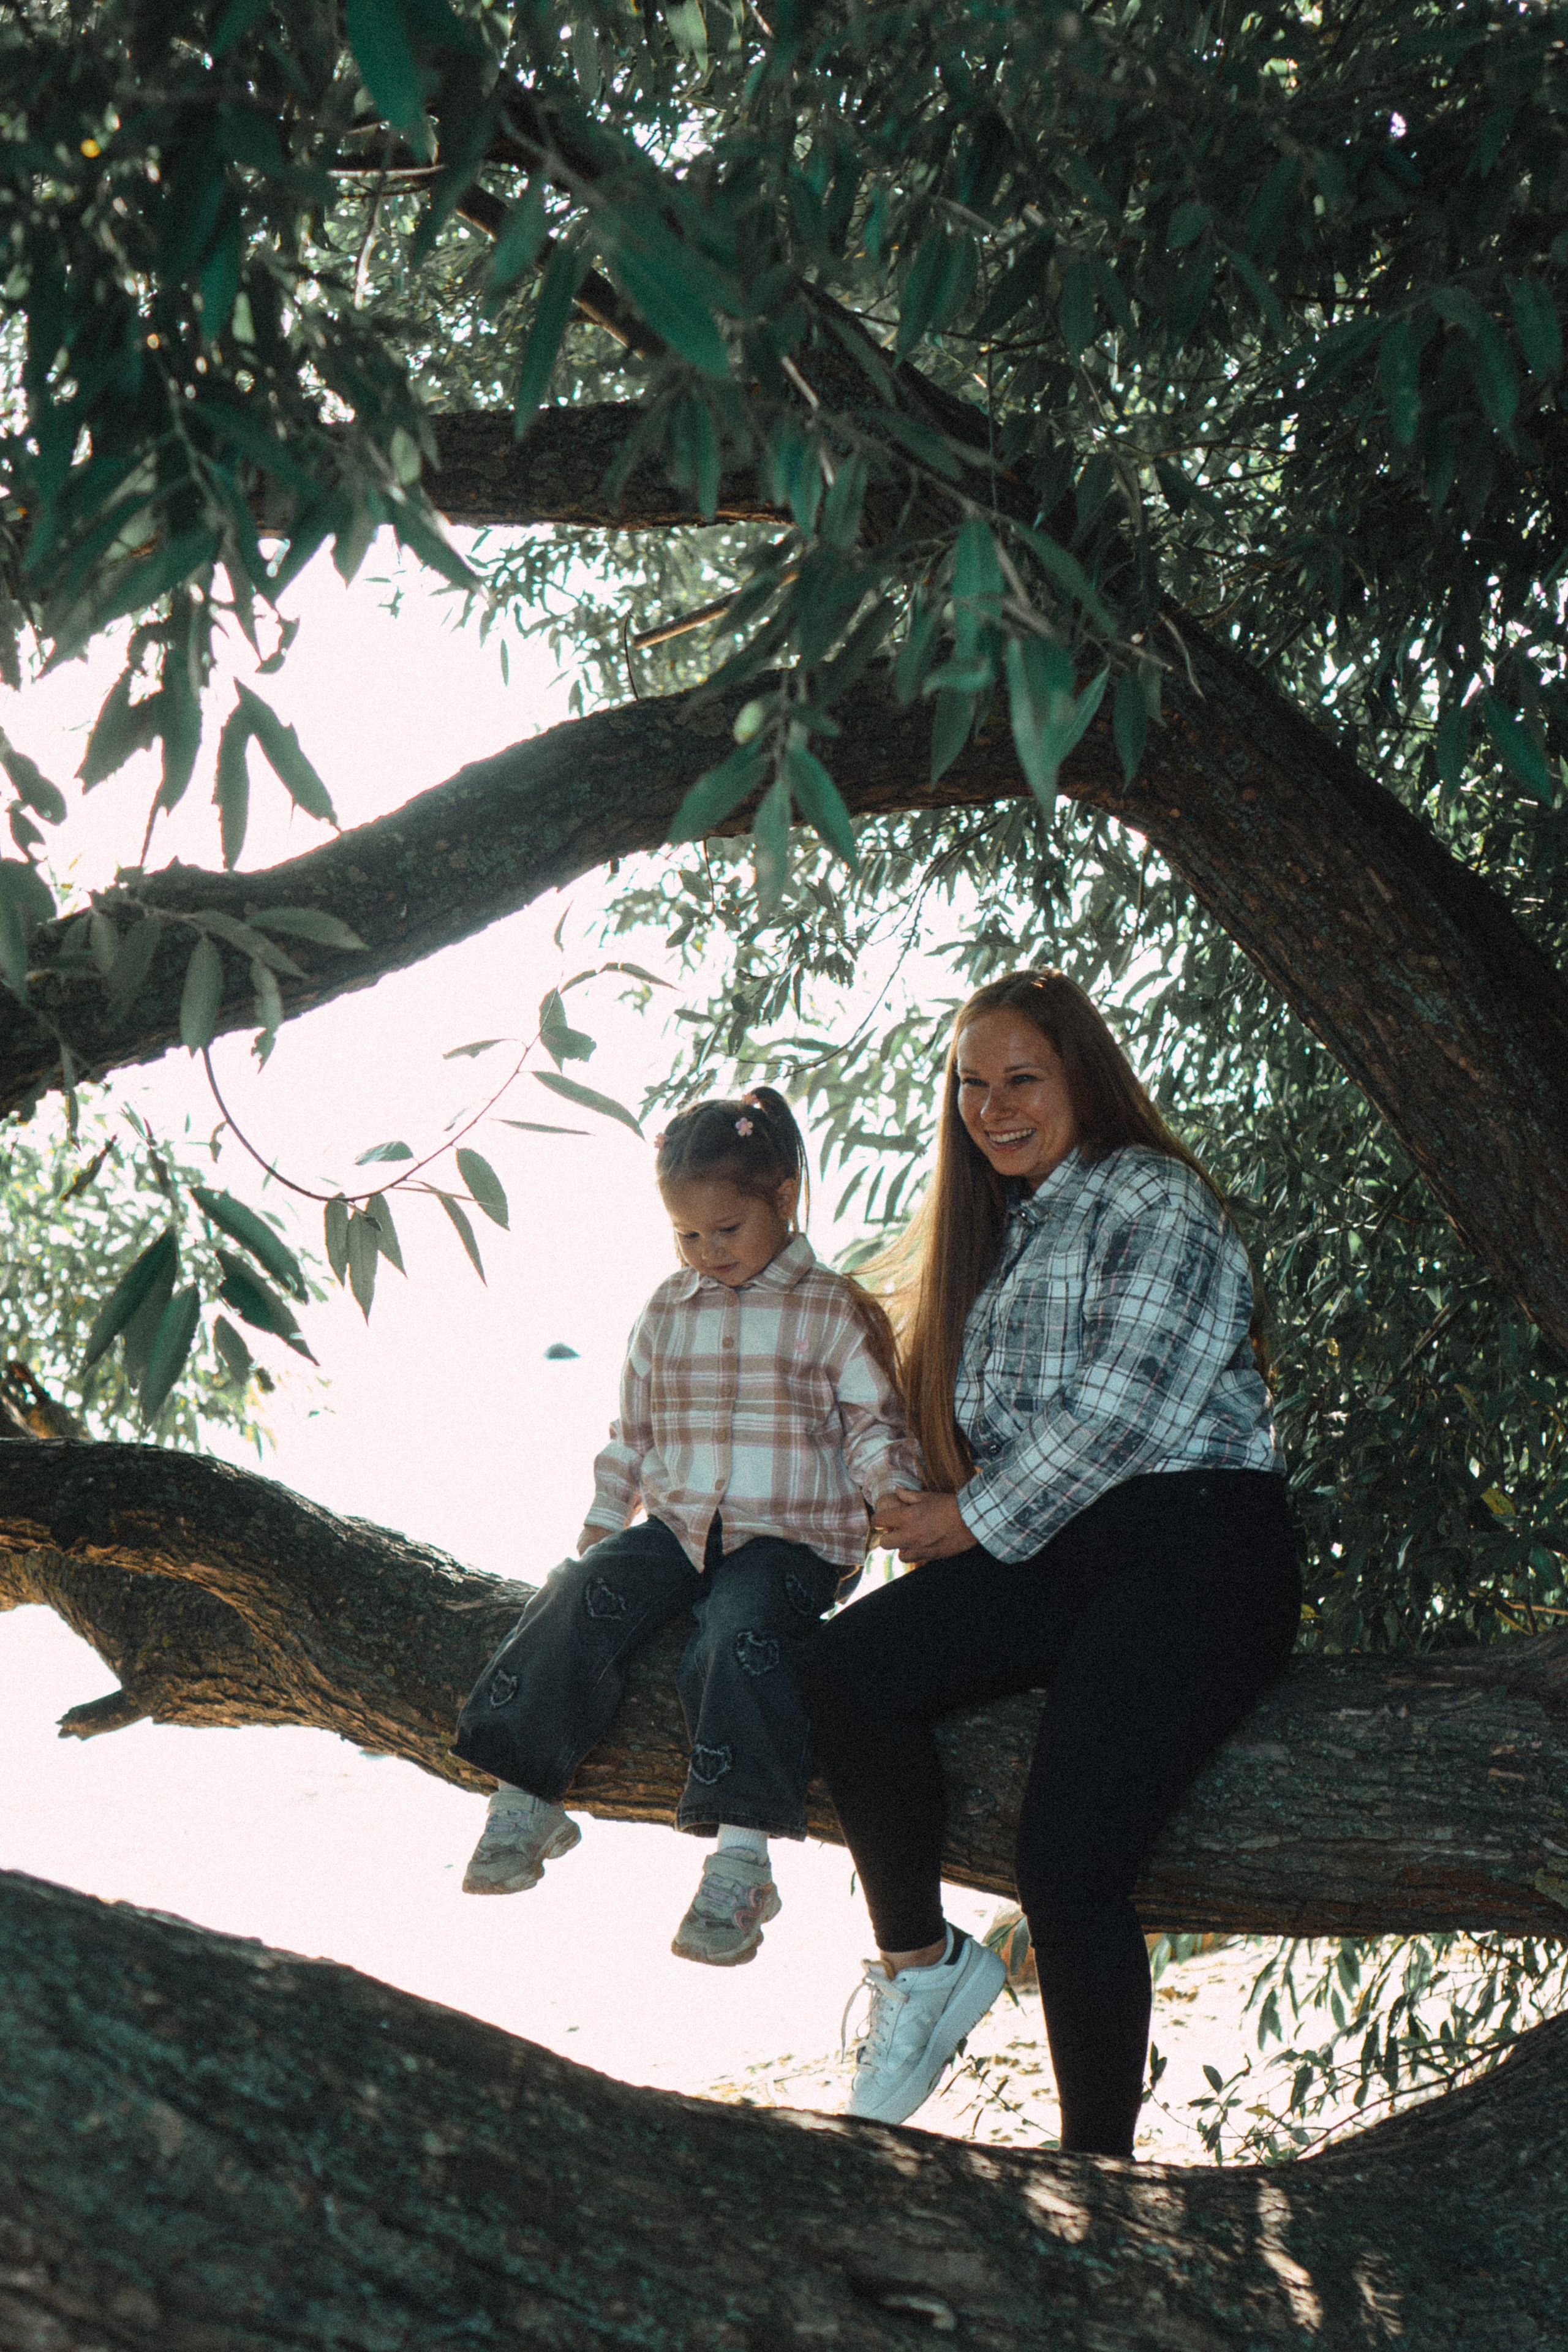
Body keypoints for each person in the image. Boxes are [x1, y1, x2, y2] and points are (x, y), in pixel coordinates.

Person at [799, 970, 1300, 2152]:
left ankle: (1097, 2177)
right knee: (840, 1672)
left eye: (1021, 1078)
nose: (992, 1107)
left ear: (1082, 1075)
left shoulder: (1153, 1195)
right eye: (971, 1085)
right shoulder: (1010, 1230)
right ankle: (922, 1964)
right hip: (1064, 1547)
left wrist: (965, 1523)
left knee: (1068, 1860)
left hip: (1198, 1545)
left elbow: (1123, 1409)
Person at [452, 1085, 921, 1967]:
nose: (709, 1252)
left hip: (790, 1540)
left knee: (737, 1636)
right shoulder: (667, 1310)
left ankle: (741, 1862)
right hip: (678, 1527)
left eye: (727, 1230)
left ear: (784, 1198)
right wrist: (605, 1521)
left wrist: (893, 1494)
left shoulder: (830, 1309)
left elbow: (872, 1424)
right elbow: (633, 1433)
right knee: (578, 1590)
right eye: (688, 1236)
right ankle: (525, 1792)